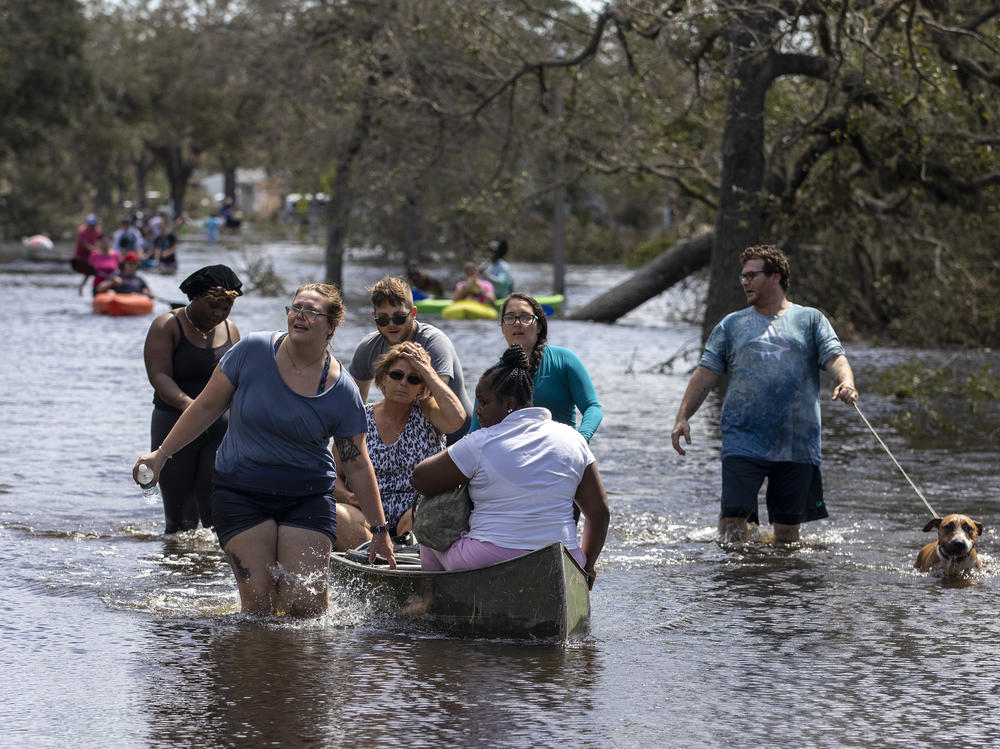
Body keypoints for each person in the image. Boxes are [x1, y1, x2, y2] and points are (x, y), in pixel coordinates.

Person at [134, 282, 396, 617]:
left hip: (307, 496)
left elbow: (357, 463)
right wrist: (161, 455)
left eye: (311, 312)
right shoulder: (252, 351)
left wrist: (379, 530)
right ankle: (258, 667)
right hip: (241, 492)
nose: (299, 316)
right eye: (295, 308)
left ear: (331, 325)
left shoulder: (341, 389)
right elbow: (205, 407)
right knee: (259, 607)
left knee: (308, 610)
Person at [670, 244, 859, 544]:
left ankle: (778, 585)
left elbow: (836, 358)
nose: (745, 281)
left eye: (752, 275)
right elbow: (705, 372)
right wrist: (683, 417)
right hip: (743, 440)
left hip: (797, 443)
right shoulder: (732, 325)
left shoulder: (810, 320)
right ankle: (736, 587)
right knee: (732, 527)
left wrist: (846, 382)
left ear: (776, 276)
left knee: (787, 535)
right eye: (742, 276)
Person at [411, 344, 610, 589]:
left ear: (509, 403)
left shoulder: (480, 442)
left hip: (487, 559)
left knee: (429, 527)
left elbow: (420, 478)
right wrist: (586, 567)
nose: (478, 412)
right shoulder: (573, 439)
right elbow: (599, 513)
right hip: (563, 559)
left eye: (483, 402)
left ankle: (430, 600)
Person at [143, 265, 243, 533]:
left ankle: (210, 572)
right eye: (212, 306)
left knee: (217, 518)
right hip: (174, 426)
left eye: (226, 308)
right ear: (195, 297)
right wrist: (193, 408)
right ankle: (176, 573)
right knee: (180, 523)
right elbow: (159, 376)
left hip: (220, 431)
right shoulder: (167, 325)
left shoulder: (231, 330)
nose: (219, 314)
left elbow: (238, 381)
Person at [333, 342, 465, 541]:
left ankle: (404, 555)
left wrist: (427, 371)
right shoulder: (359, 417)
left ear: (421, 387)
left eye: (413, 379)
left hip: (414, 515)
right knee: (337, 514)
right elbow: (332, 475)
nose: (403, 383)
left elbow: (457, 419)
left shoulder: (428, 411)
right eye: (396, 375)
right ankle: (374, 558)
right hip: (366, 517)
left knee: (431, 514)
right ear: (384, 378)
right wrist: (348, 497)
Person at [349, 276, 473, 444]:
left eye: (399, 317)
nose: (391, 324)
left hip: (457, 436)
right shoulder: (368, 348)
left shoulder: (434, 342)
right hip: (406, 437)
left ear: (413, 313)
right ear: (374, 317)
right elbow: (354, 405)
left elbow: (433, 402)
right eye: (383, 319)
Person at [469, 292, 603, 442]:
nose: (517, 323)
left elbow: (593, 407)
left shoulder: (564, 360)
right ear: (502, 327)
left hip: (561, 453)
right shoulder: (492, 377)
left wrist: (581, 440)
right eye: (510, 317)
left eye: (525, 317)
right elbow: (475, 431)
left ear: (539, 326)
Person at [73, 214, 101, 293]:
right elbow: (83, 245)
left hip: (92, 256)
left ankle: (84, 288)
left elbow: (99, 242)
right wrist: (96, 251)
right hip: (82, 257)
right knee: (89, 273)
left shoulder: (97, 231)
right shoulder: (82, 230)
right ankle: (82, 288)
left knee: (91, 273)